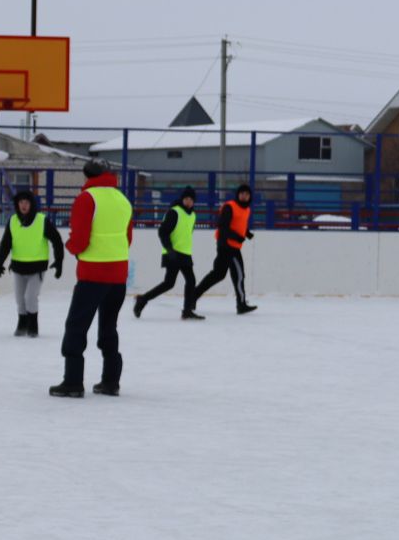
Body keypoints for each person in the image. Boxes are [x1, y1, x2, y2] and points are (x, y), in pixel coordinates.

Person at [51, 160, 134, 398]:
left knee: (76, 326)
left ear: (87, 176)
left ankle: (73, 381)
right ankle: (110, 381)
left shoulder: (87, 199)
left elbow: (80, 238)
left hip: (92, 274)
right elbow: (127, 238)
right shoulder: (123, 200)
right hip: (118, 274)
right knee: (109, 327)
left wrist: (72, 247)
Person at [0, 188, 65, 337]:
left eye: (26, 202)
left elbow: (57, 240)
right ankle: (22, 325)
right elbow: (6, 243)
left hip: (37, 268)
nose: (24, 205)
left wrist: (59, 261)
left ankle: (33, 327)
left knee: (30, 298)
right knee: (20, 299)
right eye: (21, 202)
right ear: (17, 204)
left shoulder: (41, 220)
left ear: (32, 204)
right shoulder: (13, 221)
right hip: (18, 267)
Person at [132, 185, 202, 321]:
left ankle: (187, 311)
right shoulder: (174, 212)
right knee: (169, 283)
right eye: (186, 198)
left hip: (185, 253)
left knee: (190, 280)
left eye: (191, 199)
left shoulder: (193, 215)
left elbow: (187, 234)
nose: (188, 201)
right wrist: (169, 249)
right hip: (173, 253)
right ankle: (142, 300)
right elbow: (162, 232)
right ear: (182, 199)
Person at [188, 182, 258, 317]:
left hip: (232, 245)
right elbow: (222, 226)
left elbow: (239, 225)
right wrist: (237, 237)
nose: (244, 196)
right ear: (238, 195)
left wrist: (246, 233)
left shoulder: (247, 209)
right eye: (242, 193)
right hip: (227, 245)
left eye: (247, 194)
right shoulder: (229, 207)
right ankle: (241, 304)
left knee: (218, 274)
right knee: (239, 275)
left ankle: (193, 296)